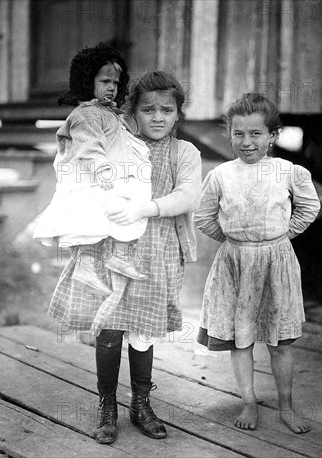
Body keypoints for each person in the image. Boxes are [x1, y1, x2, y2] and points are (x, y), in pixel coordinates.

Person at [48, 70, 202, 444]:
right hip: (114, 248)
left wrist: (145, 209)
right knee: (111, 326)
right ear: (133, 111)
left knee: (144, 331)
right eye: (148, 109)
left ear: (178, 114)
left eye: (167, 110)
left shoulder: (185, 152)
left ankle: (141, 402)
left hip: (159, 251)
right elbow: (79, 159)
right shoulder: (120, 143)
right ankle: (106, 404)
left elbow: (188, 197)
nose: (157, 117)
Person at [194, 93, 320, 434]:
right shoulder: (221, 175)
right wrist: (237, 243)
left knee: (280, 342)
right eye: (239, 134)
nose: (246, 142)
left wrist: (279, 238)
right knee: (242, 338)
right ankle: (249, 401)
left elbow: (309, 208)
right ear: (230, 134)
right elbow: (204, 218)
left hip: (277, 262)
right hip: (235, 265)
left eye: (255, 134)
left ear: (272, 136)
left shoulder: (288, 171)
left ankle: (286, 406)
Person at [33, 43, 150, 296]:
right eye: (105, 81)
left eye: (116, 83)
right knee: (90, 225)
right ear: (88, 82)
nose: (111, 87)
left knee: (124, 213)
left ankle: (120, 255)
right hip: (91, 179)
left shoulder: (109, 113)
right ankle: (85, 267)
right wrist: (102, 170)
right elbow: (89, 147)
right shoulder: (85, 115)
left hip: (112, 177)